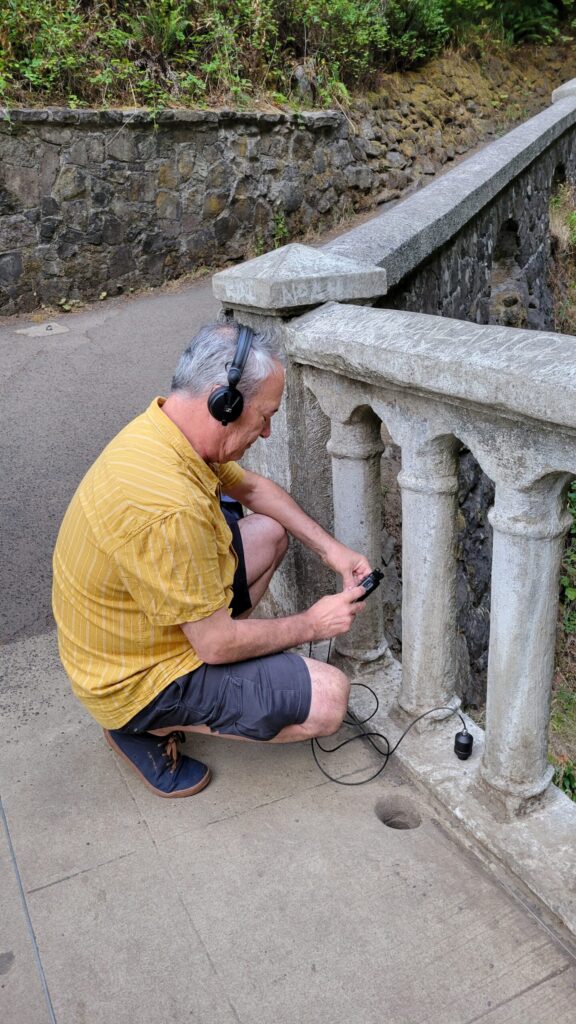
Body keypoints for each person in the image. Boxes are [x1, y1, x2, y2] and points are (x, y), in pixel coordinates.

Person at [52, 322, 371, 799]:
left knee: (268, 534)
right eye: (263, 417)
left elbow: (254, 489)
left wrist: (332, 550)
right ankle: (142, 727)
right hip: (131, 679)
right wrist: (313, 623)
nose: (265, 432)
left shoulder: (167, 429)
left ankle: (216, 682)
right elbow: (217, 644)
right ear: (225, 404)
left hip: (133, 636)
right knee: (329, 700)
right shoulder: (168, 509)